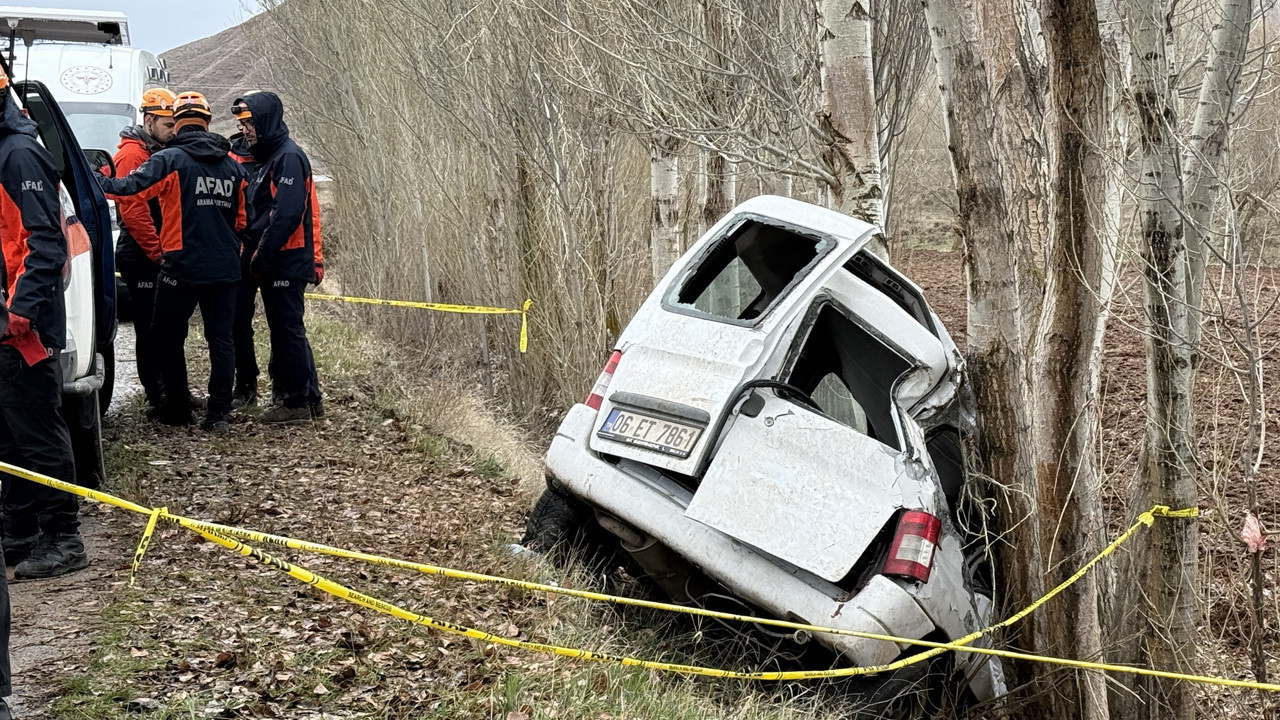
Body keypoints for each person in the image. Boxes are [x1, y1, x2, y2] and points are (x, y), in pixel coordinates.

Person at [99, 92, 248, 432]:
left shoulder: (171, 159)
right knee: (221, 339)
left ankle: (178, 408)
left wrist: (97, 179)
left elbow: (129, 191)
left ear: (178, 123)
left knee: (166, 335)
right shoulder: (232, 165)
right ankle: (219, 414)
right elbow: (242, 220)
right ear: (208, 123)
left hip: (181, 266)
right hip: (226, 268)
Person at [0, 71, 88, 582]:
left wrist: (19, 312)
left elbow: (44, 242)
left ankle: (64, 536)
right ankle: (20, 530)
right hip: (8, 322)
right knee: (9, 436)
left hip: (26, 327)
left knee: (38, 433)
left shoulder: (17, 153)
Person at [233, 92, 322, 423]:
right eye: (242, 124)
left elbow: (286, 214)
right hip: (276, 258)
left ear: (265, 120)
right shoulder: (270, 157)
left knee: (287, 330)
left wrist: (261, 256)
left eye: (250, 123)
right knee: (287, 329)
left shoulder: (288, 157)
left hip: (287, 258)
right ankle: (308, 398)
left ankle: (297, 402)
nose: (245, 130)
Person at [109, 88, 176, 410]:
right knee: (149, 326)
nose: (173, 130)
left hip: (153, 250)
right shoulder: (133, 155)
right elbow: (133, 211)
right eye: (167, 124)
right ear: (149, 120)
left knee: (160, 323)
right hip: (141, 251)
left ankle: (165, 387)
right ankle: (156, 393)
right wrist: (158, 253)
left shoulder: (155, 151)